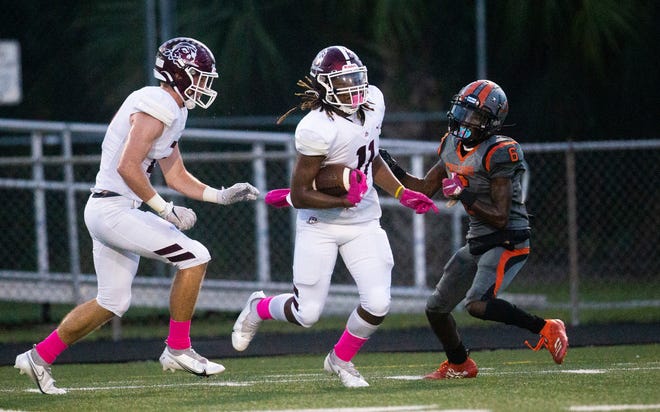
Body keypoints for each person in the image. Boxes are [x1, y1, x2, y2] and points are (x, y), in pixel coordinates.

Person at [14, 37, 260, 395]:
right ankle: (178, 347)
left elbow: (175, 173)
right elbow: (128, 167)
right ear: (178, 73)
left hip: (112, 208)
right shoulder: (157, 102)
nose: (206, 84)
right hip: (113, 208)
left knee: (113, 301)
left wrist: (218, 196)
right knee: (195, 257)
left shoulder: (173, 109)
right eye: (201, 76)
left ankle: (38, 357)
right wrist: (165, 209)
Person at [231, 45, 438, 388]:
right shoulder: (316, 128)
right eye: (343, 82)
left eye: (356, 79)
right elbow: (300, 193)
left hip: (364, 221)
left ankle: (340, 359)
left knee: (378, 303)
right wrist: (343, 200)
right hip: (320, 224)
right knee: (306, 313)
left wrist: (401, 193)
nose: (354, 89)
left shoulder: (373, 103)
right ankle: (258, 307)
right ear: (325, 86)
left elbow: (370, 157)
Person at [380, 79, 568, 380]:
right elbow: (427, 187)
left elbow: (500, 217)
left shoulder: (499, 151)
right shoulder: (451, 144)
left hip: (507, 239)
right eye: (464, 111)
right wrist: (395, 171)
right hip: (478, 239)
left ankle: (546, 327)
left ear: (491, 123)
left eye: (476, 116)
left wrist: (463, 194)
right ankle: (459, 364)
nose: (466, 120)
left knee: (477, 304)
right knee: (436, 309)